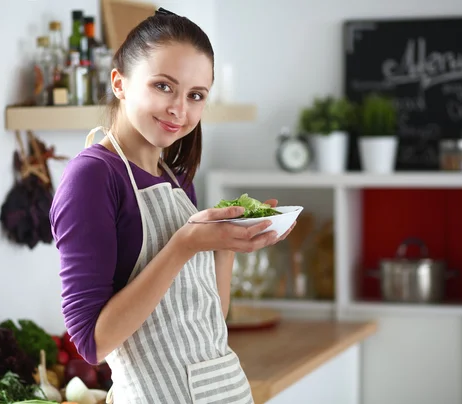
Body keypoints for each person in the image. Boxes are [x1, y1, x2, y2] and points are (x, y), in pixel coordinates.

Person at [50, 8, 296, 404]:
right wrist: (184, 244)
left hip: (228, 392)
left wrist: (229, 243)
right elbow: (92, 343)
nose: (179, 109)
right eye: (164, 86)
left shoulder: (177, 179)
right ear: (120, 83)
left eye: (195, 96)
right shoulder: (93, 177)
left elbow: (208, 320)